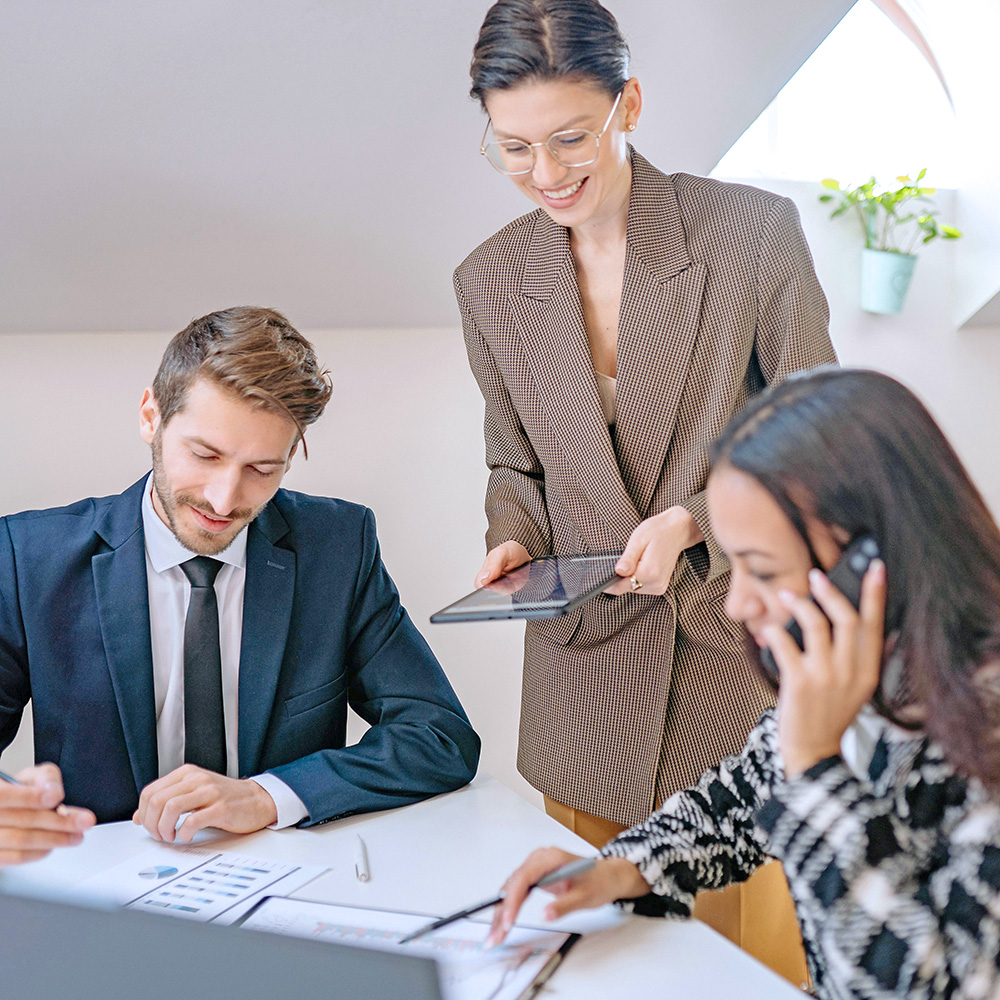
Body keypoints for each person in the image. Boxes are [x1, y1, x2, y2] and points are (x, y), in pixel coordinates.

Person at [489, 368, 1000, 998]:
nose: (735, 605)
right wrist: (616, 869)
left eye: (760, 570)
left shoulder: (985, 722)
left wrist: (813, 766)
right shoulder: (860, 671)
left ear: (872, 560)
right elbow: (737, 803)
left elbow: (933, 988)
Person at [455, 0, 835, 843]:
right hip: (584, 679)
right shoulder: (487, 280)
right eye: (513, 147)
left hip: (734, 654)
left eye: (571, 137)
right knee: (603, 954)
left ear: (628, 106)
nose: (545, 171)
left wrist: (694, 523)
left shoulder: (751, 234)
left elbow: (825, 436)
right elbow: (514, 465)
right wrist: (512, 538)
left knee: (746, 964)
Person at [0, 306, 480, 865]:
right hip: (97, 889)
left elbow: (438, 735)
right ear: (150, 417)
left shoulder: (338, 547)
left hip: (280, 880)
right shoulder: (27, 557)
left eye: (262, 469)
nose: (225, 500)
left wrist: (268, 796)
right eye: (205, 455)